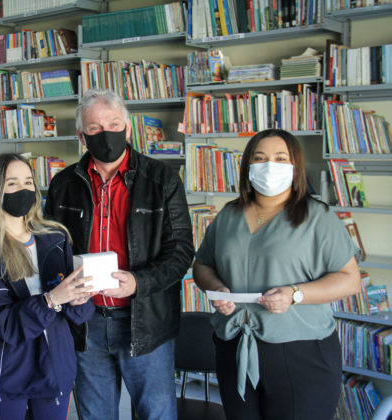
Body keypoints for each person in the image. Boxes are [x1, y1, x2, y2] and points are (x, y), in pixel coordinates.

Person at [44, 88, 194, 420]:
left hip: (145, 321)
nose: (106, 133)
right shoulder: (63, 184)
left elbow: (182, 251)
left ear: (127, 129)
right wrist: (64, 288)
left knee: (156, 415)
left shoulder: (163, 180)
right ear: (82, 136)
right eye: (95, 128)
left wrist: (138, 283)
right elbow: (49, 251)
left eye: (113, 124)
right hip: (85, 322)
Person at [193, 128, 362, 420]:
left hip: (301, 353)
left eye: (280, 158)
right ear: (248, 166)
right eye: (260, 158)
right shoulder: (228, 215)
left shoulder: (318, 218)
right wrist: (217, 287)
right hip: (235, 346)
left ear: (295, 167)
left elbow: (350, 279)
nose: (269, 166)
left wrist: (296, 294)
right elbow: (202, 265)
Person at [0, 153, 95, 419]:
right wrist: (51, 300)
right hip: (10, 373)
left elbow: (80, 314)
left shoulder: (55, 237)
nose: (23, 190)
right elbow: (3, 324)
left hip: (56, 369)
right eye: (12, 184)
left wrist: (79, 300)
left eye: (28, 182)